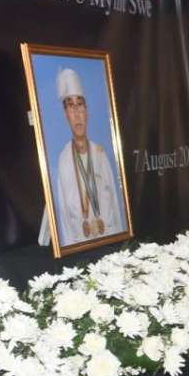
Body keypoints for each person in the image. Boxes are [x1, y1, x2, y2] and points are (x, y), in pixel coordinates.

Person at [53, 67, 125, 246]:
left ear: (87, 110)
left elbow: (115, 207)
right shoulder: (63, 160)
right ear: (65, 114)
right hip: (81, 245)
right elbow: (64, 218)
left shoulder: (100, 154)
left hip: (109, 238)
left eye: (80, 105)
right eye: (71, 106)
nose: (77, 114)